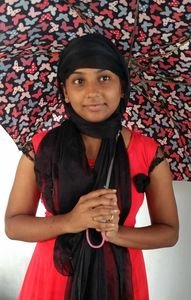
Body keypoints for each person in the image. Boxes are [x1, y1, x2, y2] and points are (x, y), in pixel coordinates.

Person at [4, 34, 179, 300]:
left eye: (104, 77)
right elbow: (14, 226)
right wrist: (71, 221)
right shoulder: (41, 147)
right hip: (52, 280)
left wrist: (117, 234)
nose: (92, 92)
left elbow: (169, 232)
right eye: (78, 81)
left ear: (122, 87)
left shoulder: (148, 152)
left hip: (120, 283)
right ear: (65, 91)